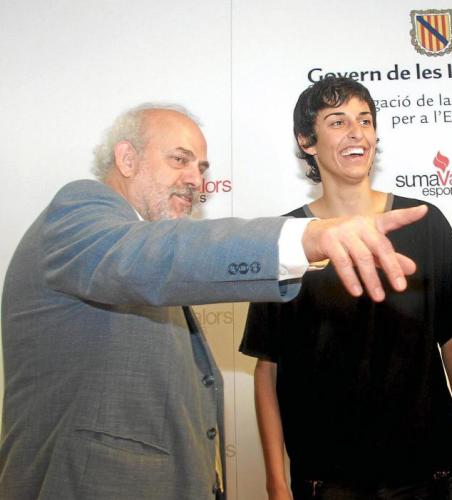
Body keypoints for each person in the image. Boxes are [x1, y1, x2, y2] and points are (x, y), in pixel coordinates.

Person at [0, 103, 428, 500]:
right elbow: (156, 256)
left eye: (201, 168)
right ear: (127, 159)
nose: (196, 180)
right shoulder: (80, 210)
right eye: (179, 159)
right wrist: (308, 235)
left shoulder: (146, 254)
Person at [240, 77, 452, 500]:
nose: (357, 132)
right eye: (338, 121)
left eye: (365, 120)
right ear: (306, 140)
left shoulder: (425, 222)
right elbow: (268, 368)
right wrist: (276, 483)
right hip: (327, 483)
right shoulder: (285, 239)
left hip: (427, 478)